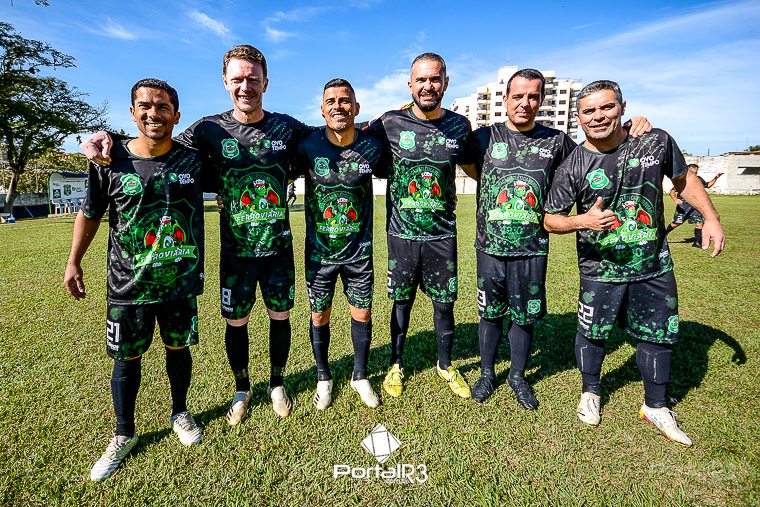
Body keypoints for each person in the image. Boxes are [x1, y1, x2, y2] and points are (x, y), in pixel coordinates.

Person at [82, 45, 314, 423]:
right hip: (235, 251)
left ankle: (276, 384)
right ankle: (242, 389)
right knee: (236, 322)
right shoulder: (208, 129)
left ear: (265, 83)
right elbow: (156, 138)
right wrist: (106, 136)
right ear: (225, 82)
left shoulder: (286, 127)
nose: (245, 86)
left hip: (278, 250)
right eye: (237, 79)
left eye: (253, 79)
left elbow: (330, 136)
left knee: (280, 316)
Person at [544, 80, 724, 446]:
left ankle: (656, 405)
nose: (598, 116)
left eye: (606, 107)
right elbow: (550, 219)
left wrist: (710, 217)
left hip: (652, 265)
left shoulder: (654, 142)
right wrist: (582, 221)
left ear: (622, 108)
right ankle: (590, 391)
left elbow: (683, 180)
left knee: (658, 333)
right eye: (589, 111)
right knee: (592, 332)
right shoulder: (573, 164)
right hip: (600, 268)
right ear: (578, 118)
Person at [466, 69, 652, 408]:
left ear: (541, 100)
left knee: (524, 316)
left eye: (533, 97)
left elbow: (595, 154)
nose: (525, 103)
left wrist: (631, 129)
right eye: (518, 96)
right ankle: (487, 374)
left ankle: (518, 376)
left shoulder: (556, 141)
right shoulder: (484, 137)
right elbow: (460, 163)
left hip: (532, 249)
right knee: (489, 314)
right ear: (505, 99)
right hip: (489, 247)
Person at [65, 79, 205, 480]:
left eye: (162, 107)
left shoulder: (194, 161)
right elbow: (90, 213)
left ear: (176, 115)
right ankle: (123, 433)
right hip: (127, 286)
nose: (153, 113)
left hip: (179, 282)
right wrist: (73, 262)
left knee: (178, 348)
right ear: (132, 112)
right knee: (126, 359)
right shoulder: (109, 160)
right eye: (145, 106)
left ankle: (180, 412)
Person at [366, 53, 477, 399]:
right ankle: (396, 364)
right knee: (402, 302)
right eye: (421, 80)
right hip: (401, 234)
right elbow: (352, 144)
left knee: (444, 304)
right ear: (410, 84)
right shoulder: (389, 123)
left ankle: (445, 364)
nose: (428, 86)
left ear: (445, 83)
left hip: (442, 234)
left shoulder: (459, 126)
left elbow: (475, 167)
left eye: (435, 79)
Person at [294, 78, 388, 409]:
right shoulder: (307, 145)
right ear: (322, 109)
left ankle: (360, 376)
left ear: (356, 108)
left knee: (362, 312)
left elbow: (399, 171)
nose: (338, 106)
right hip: (319, 254)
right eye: (331, 101)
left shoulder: (372, 146)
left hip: (358, 253)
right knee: (319, 315)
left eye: (345, 100)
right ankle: (324, 377)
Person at [666, 164, 723, 247]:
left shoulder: (698, 179)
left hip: (695, 206)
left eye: (696, 172)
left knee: (699, 223)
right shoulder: (683, 179)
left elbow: (708, 185)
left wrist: (716, 178)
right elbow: (672, 191)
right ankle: (663, 235)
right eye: (694, 172)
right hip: (684, 206)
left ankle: (697, 242)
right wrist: (675, 199)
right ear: (689, 171)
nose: (695, 174)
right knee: (676, 223)